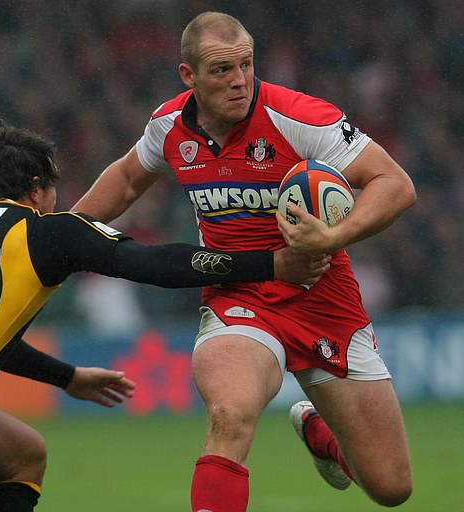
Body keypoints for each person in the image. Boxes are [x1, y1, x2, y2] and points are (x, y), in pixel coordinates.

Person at [0, 123, 329, 512]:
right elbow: (154, 264)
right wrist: (271, 263)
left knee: (24, 456)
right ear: (37, 190)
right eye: (54, 188)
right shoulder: (45, 231)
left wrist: (68, 376)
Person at [72, 11, 417, 511]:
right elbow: (127, 180)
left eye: (246, 65)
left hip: (323, 299)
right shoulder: (169, 126)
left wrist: (333, 234)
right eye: (221, 70)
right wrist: (60, 235)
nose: (239, 82)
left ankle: (320, 435)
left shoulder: (298, 117)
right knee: (230, 416)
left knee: (392, 488)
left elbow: (396, 184)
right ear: (188, 76)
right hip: (239, 298)